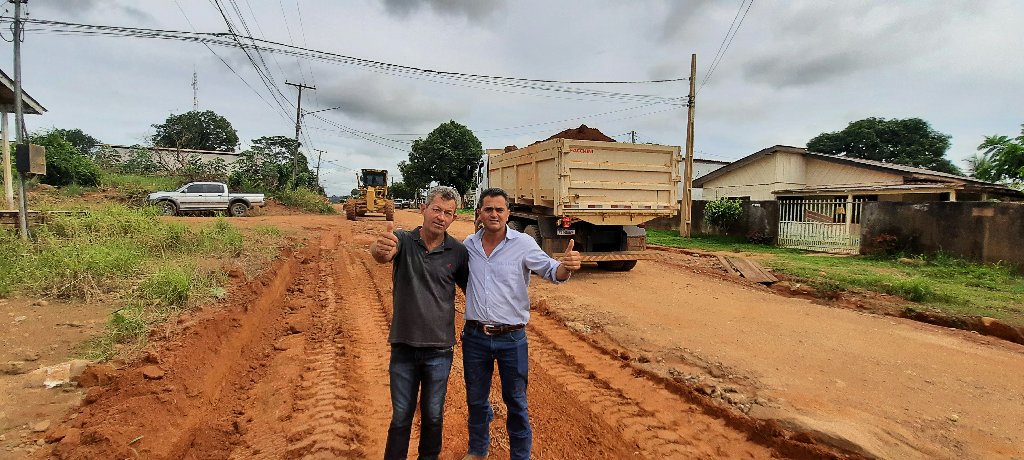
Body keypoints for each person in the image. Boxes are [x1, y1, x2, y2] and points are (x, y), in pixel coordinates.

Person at [460, 187, 582, 460]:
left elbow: (552, 271)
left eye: (499, 209)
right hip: (475, 337)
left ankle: (520, 455)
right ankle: (478, 450)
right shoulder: (468, 245)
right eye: (488, 209)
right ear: (479, 212)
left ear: (508, 213)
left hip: (511, 339)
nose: (494, 214)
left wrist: (567, 266)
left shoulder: (523, 244)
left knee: (515, 402)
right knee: (476, 400)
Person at [370, 185, 469, 460]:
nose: (441, 217)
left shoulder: (457, 253)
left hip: (439, 350)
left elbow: (474, 290)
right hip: (403, 347)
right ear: (423, 209)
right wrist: (380, 249)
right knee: (401, 417)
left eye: (448, 213)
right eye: (436, 209)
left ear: (454, 218)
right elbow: (381, 253)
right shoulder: (402, 241)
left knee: (434, 417)